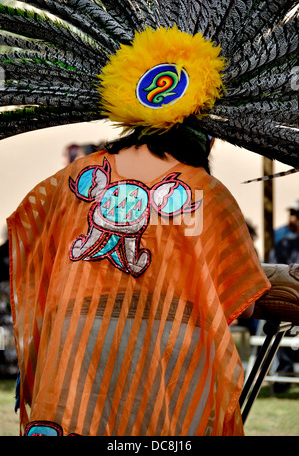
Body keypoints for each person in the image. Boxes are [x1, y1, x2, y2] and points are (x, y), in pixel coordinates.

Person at [7, 124, 270, 436]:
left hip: (75, 339)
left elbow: (29, 236)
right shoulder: (203, 191)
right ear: (207, 138)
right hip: (166, 347)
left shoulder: (74, 176)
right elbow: (246, 301)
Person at [269, 201, 299, 393]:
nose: (292, 219)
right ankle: (284, 374)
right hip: (287, 302)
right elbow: (272, 269)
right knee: (278, 323)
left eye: (297, 214)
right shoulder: (283, 243)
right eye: (292, 214)